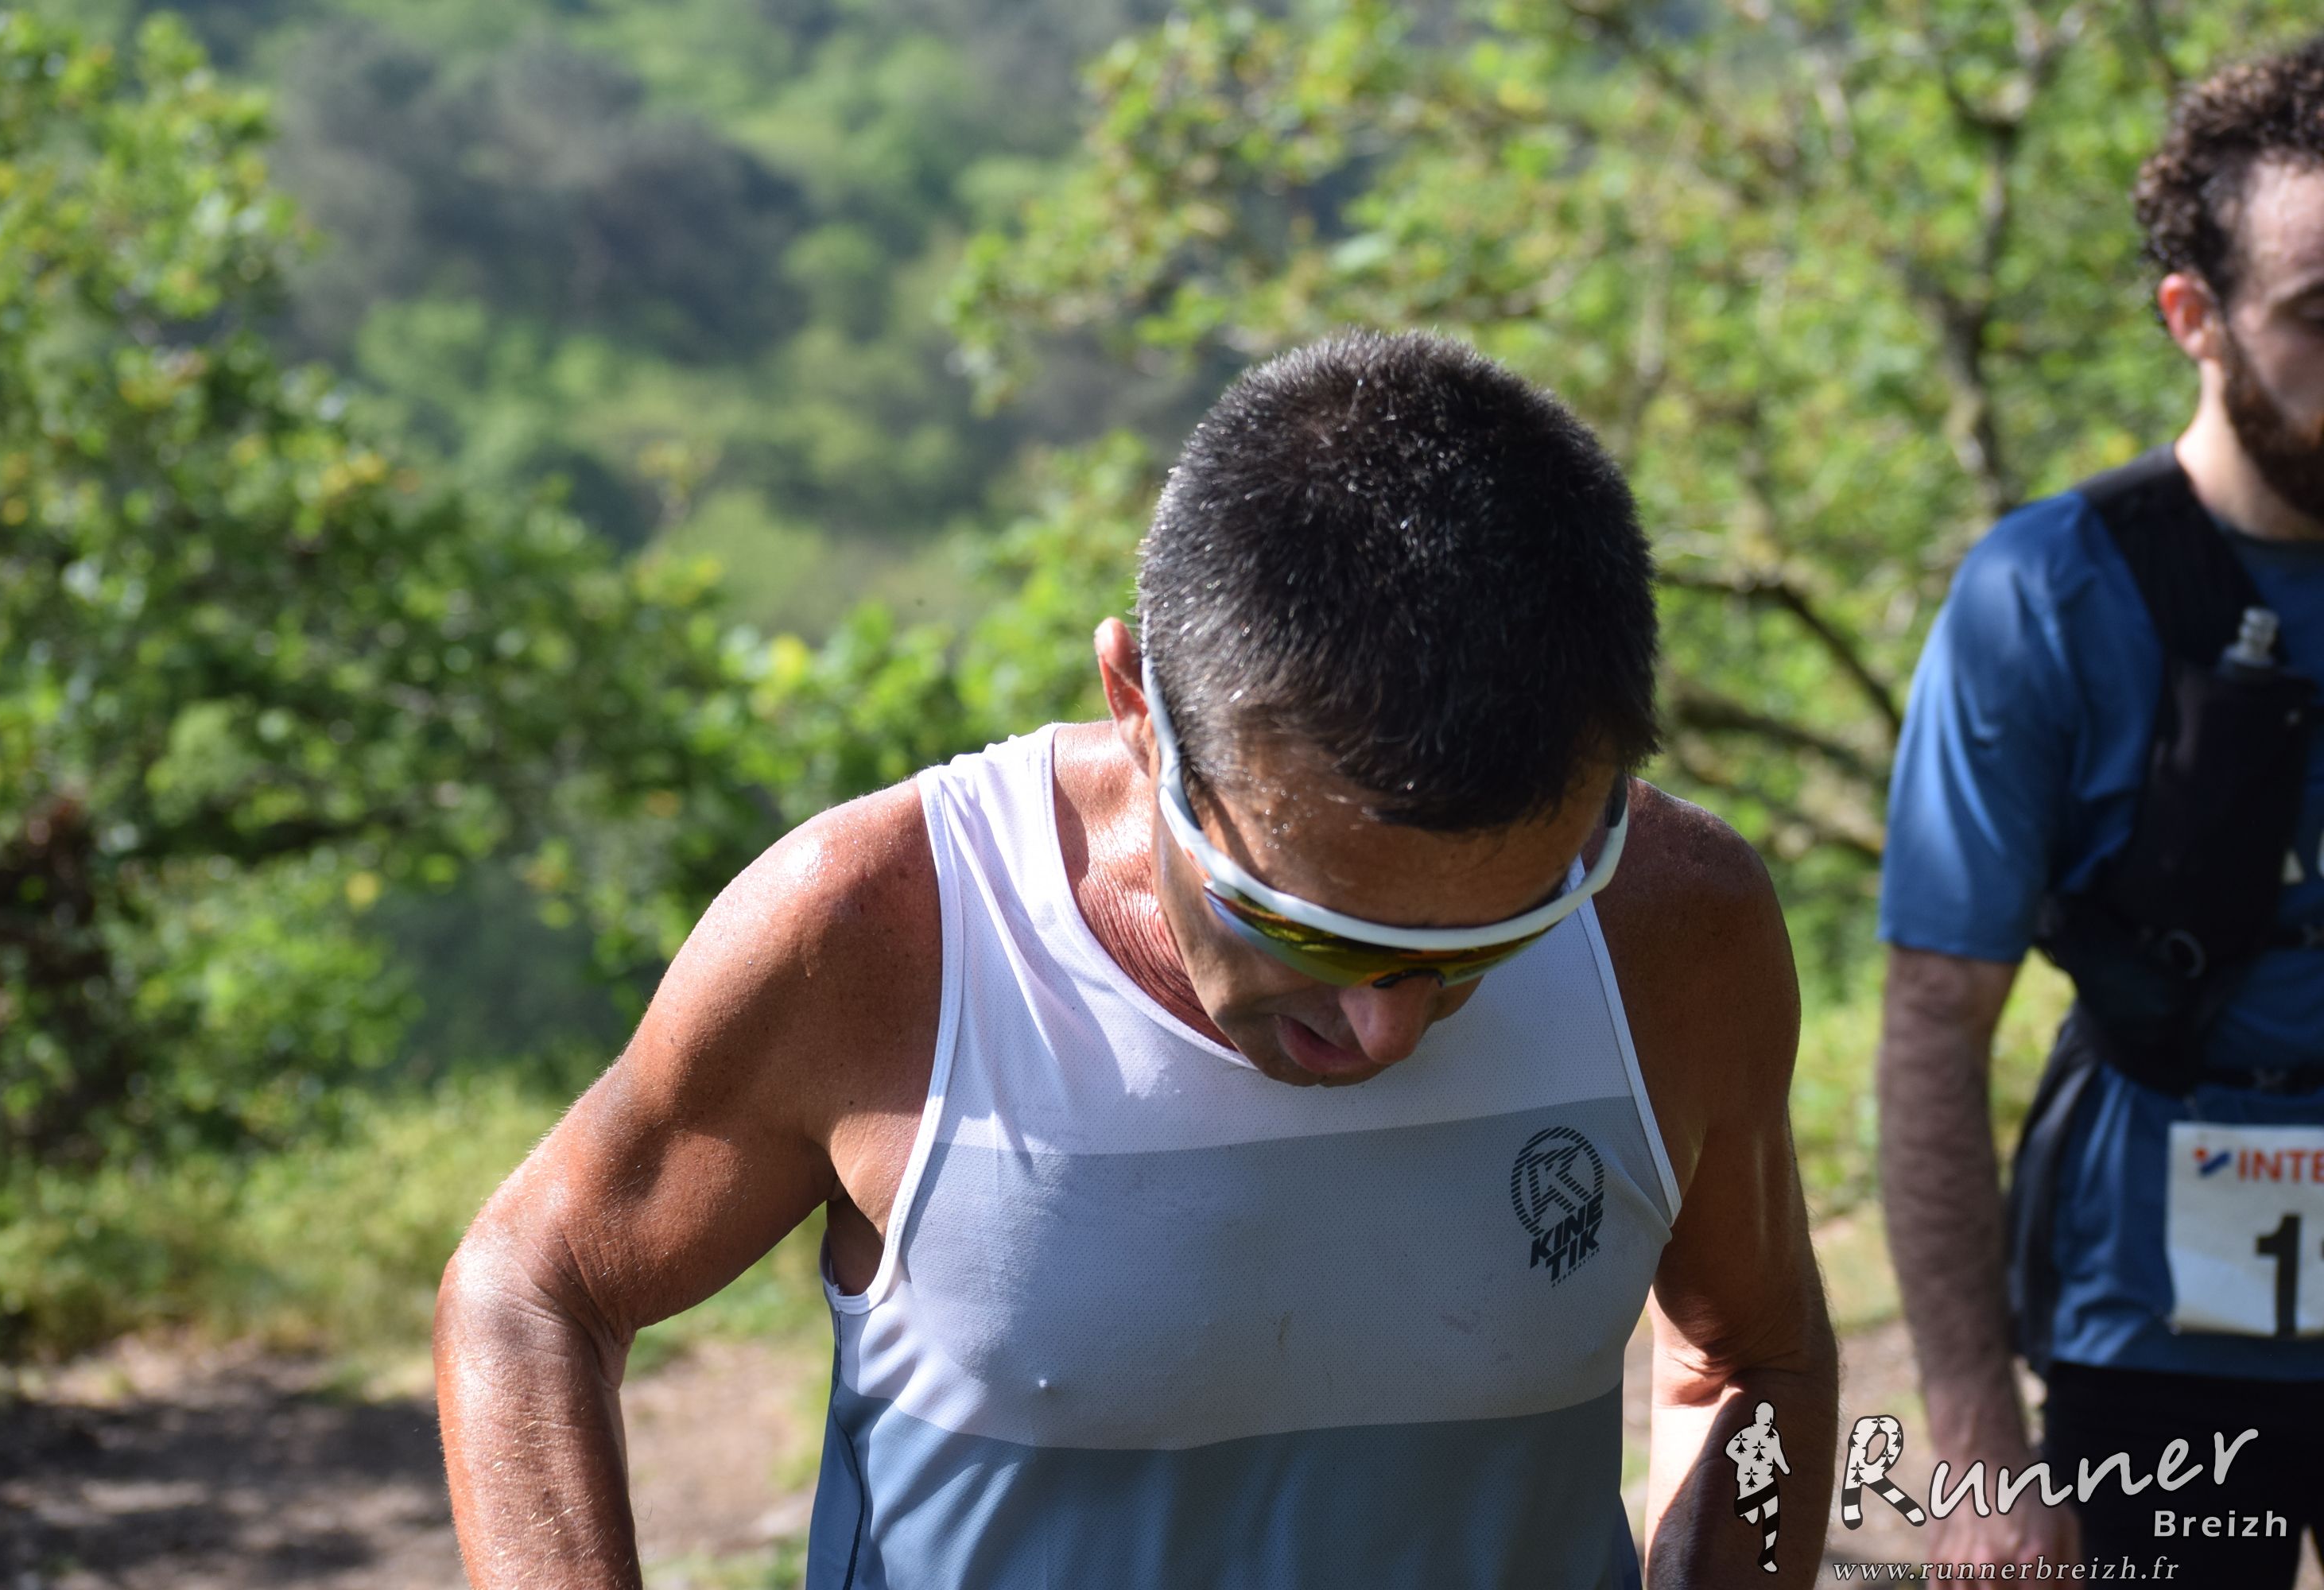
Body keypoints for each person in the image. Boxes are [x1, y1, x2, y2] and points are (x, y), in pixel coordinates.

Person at [434, 329, 1835, 1588]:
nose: (1390, 1030)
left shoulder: (1673, 926)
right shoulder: (887, 933)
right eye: (1306, 927)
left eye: (1497, 936)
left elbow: (1756, 1359)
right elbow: (535, 1287)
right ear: (1137, 707)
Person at [1878, 37, 2324, 1584]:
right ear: (2192, 318)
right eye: (2318, 316)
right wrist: (1972, 1444)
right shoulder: (2045, 595)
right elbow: (1934, 1020)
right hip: (2146, 1329)